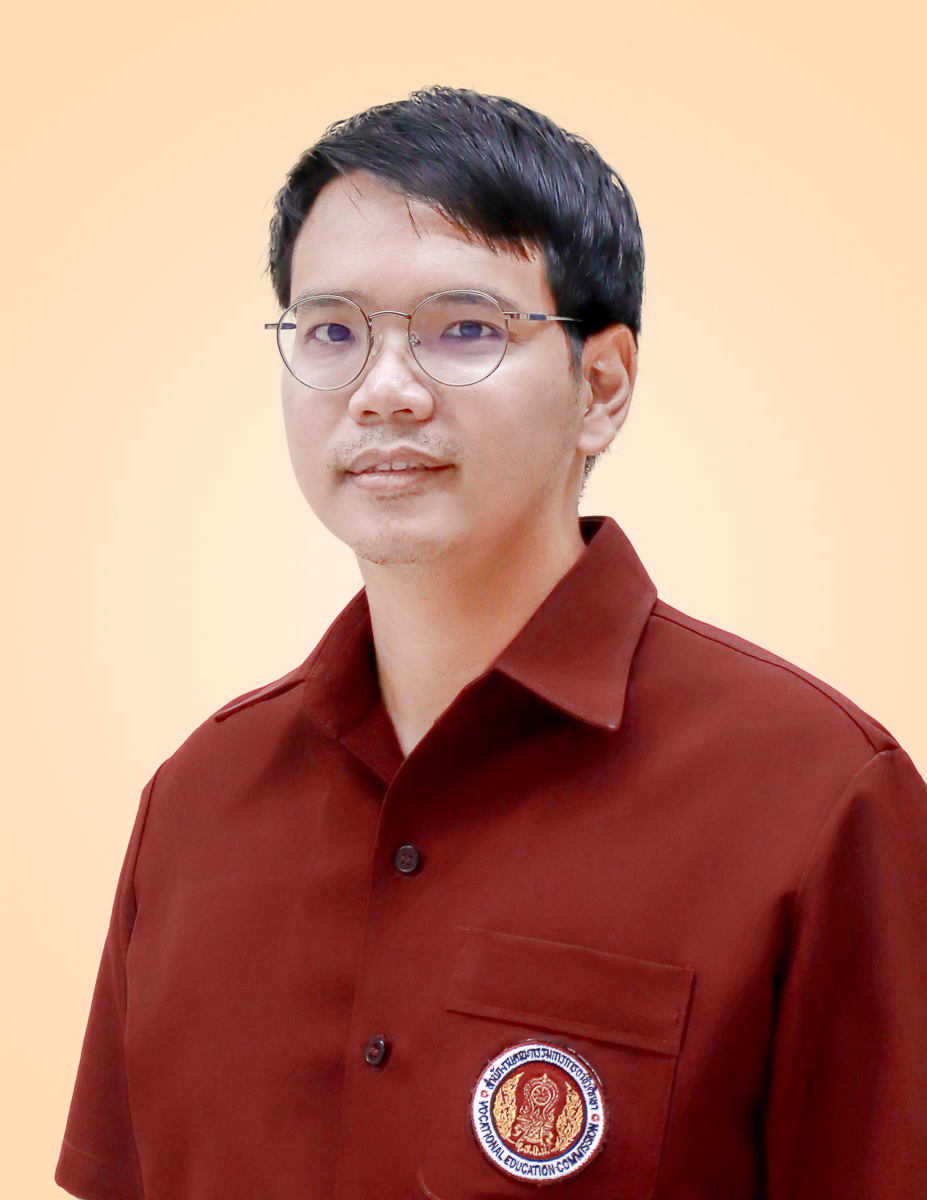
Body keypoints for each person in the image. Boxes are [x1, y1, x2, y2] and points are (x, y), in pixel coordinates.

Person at [56, 87, 926, 1200]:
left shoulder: (819, 797)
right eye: (331, 332)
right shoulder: (196, 799)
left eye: (462, 328)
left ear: (601, 387)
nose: (383, 392)